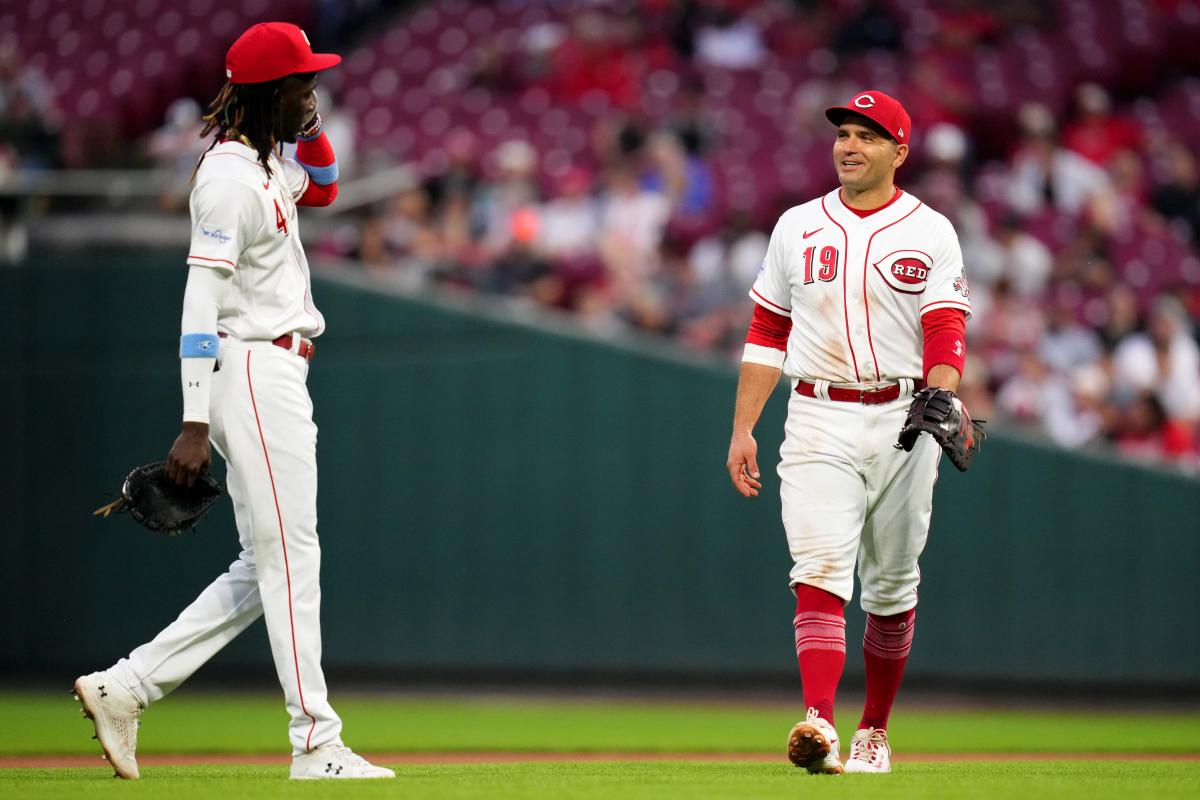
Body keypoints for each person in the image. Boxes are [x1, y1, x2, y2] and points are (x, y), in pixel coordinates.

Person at [72, 23, 394, 781]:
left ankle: (127, 686)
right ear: (270, 92)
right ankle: (315, 743)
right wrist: (191, 421)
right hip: (248, 365)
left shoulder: (261, 162)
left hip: (272, 369)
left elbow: (327, 187)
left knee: (268, 561)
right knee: (294, 558)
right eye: (304, 85)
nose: (314, 93)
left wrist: (309, 131)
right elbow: (197, 300)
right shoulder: (227, 179)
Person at [725, 90, 973, 775]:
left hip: (904, 416)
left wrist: (942, 395)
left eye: (867, 135)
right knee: (820, 567)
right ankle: (819, 722)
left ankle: (873, 729)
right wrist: (743, 427)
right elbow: (767, 330)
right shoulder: (796, 226)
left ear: (899, 151)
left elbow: (946, 326)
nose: (849, 145)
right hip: (817, 413)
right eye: (843, 133)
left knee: (891, 585)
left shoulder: (930, 230)